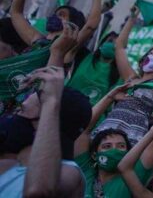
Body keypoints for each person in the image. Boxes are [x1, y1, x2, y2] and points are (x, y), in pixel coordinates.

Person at [0, 25, 91, 197]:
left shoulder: (69, 172)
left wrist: (50, 101)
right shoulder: (10, 164)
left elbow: (38, 191)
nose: (23, 104)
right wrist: (56, 54)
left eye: (22, 109)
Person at [92, 5, 153, 145]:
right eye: (150, 54)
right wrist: (132, 18)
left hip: (133, 135)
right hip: (108, 128)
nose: (152, 57)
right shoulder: (131, 79)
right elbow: (119, 46)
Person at [10, 0, 105, 65]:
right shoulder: (38, 41)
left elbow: (91, 25)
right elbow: (16, 14)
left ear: (73, 24)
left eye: (61, 15)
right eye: (55, 14)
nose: (55, 17)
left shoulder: (67, 47)